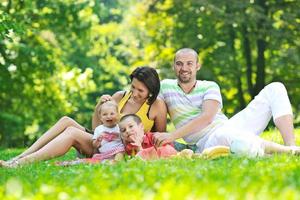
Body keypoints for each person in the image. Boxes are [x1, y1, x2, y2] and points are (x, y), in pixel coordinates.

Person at [0, 66, 167, 167]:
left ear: (151, 90)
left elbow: (158, 138)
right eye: (133, 87)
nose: (135, 93)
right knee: (66, 120)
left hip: (121, 149)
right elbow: (96, 129)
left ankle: (22, 163)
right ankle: (22, 156)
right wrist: (98, 107)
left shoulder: (156, 106)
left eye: (141, 90)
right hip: (102, 141)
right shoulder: (119, 97)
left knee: (72, 132)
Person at [154, 48, 300, 157]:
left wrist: (172, 135)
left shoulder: (209, 86)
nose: (184, 68)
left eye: (189, 63)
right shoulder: (165, 86)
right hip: (206, 141)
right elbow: (146, 99)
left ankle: (290, 145)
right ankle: (289, 152)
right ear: (173, 66)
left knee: (275, 88)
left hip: (229, 126)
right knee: (230, 138)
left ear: (197, 66)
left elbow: (207, 118)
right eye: (179, 64)